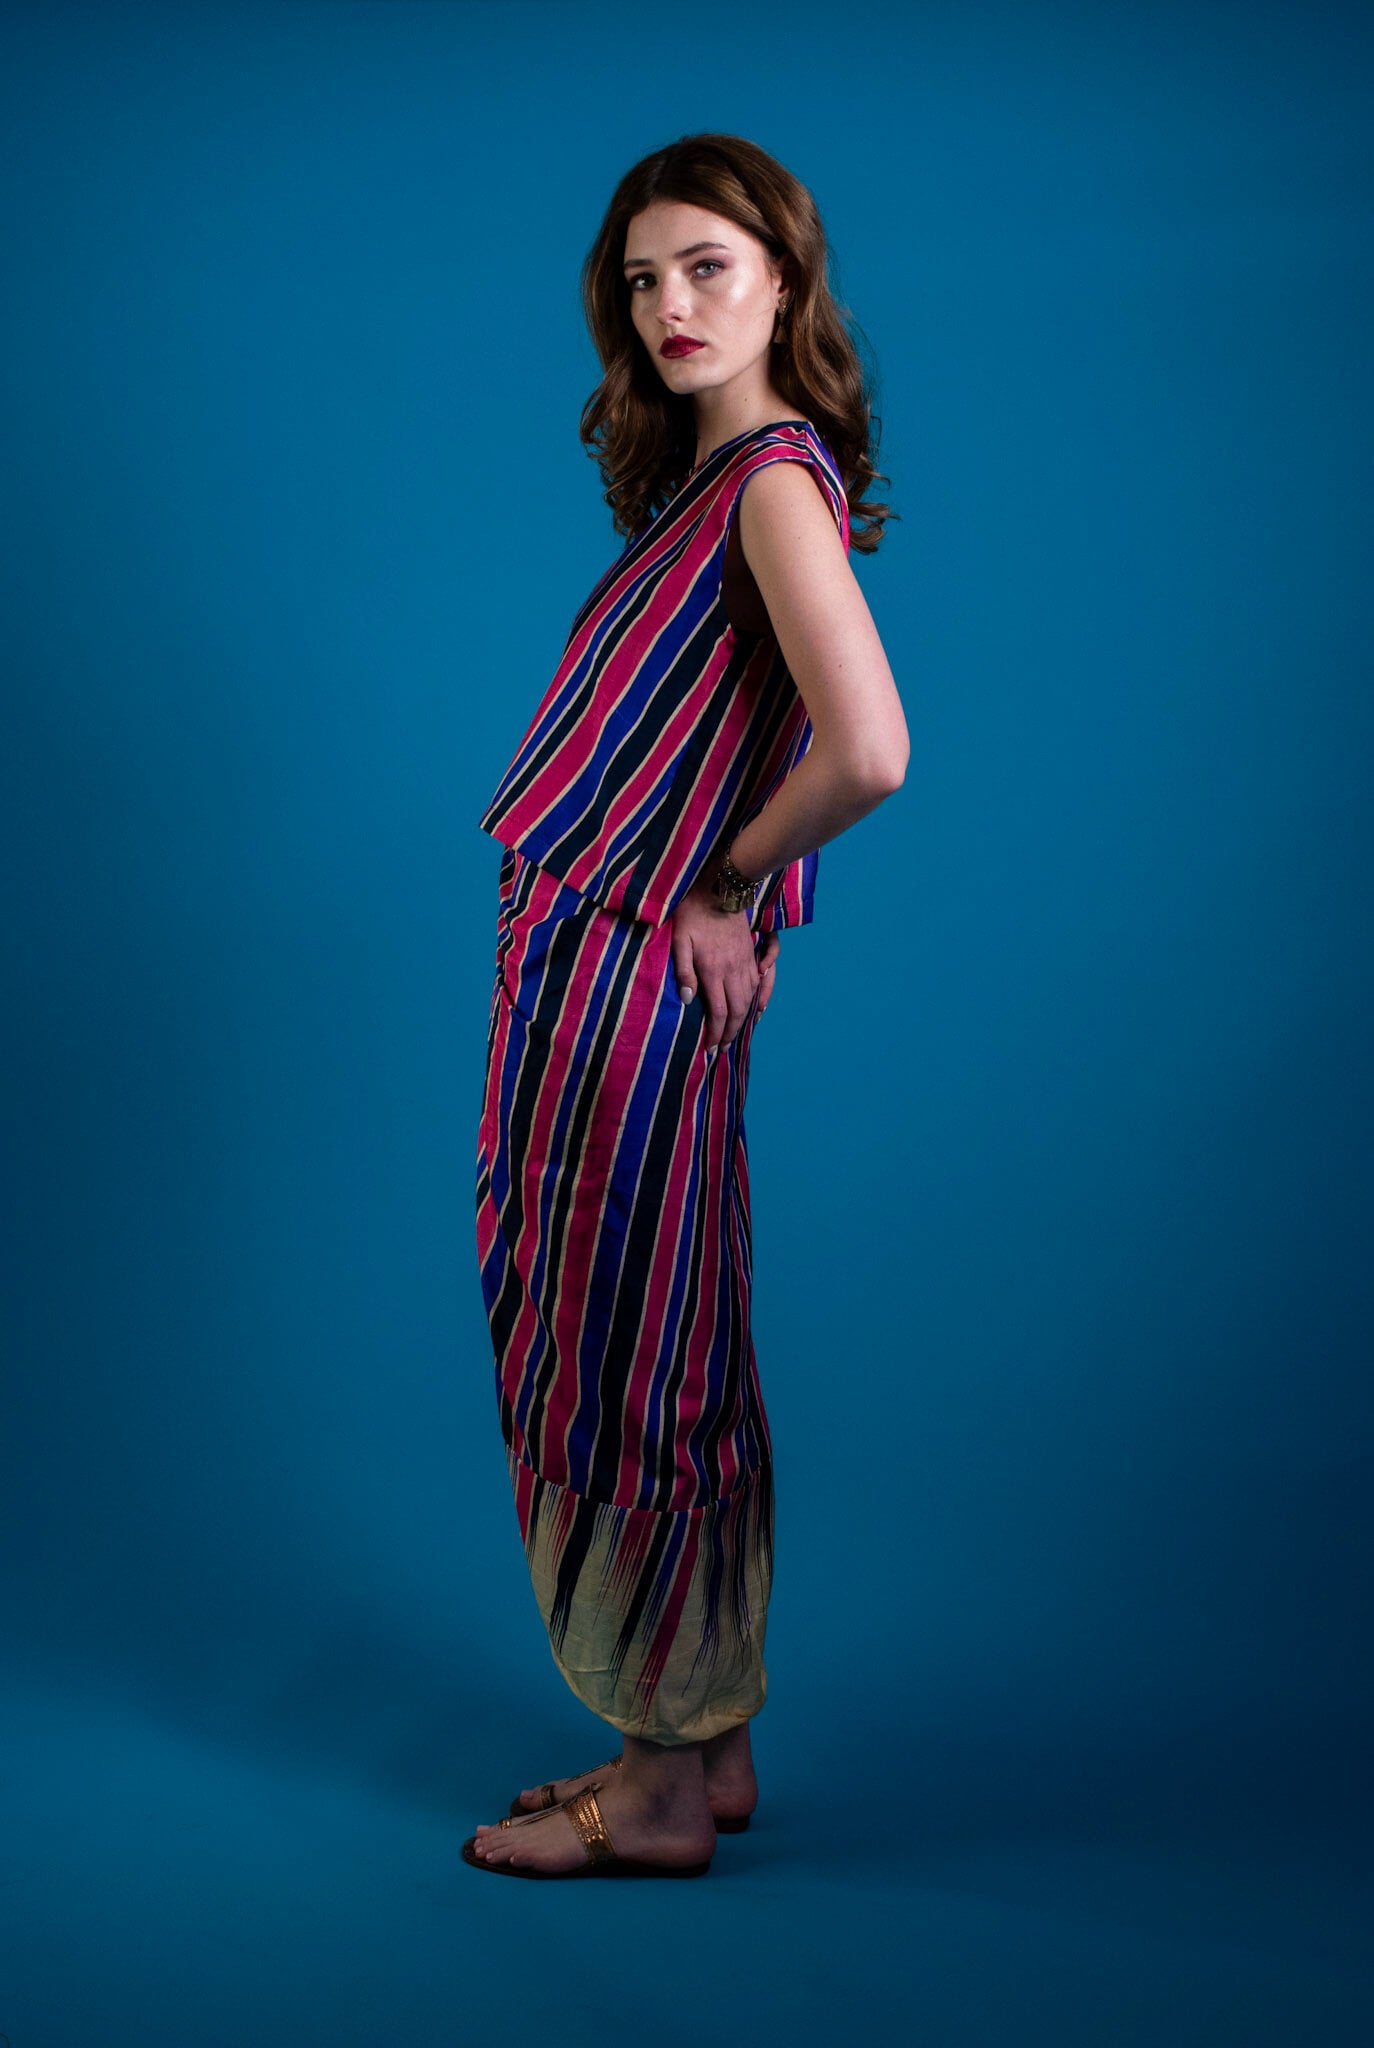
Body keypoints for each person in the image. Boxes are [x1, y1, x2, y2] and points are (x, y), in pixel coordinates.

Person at [464, 131, 908, 1879]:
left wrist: (726, 885)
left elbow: (866, 747)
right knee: (668, 1326)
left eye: (706, 265)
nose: (669, 303)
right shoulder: (722, 483)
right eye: (642, 278)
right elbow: (751, 729)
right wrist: (736, 895)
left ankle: (650, 1789)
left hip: (616, 989)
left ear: (782, 279)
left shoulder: (767, 484)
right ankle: (703, 1742)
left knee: (614, 1341)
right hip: (606, 976)